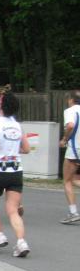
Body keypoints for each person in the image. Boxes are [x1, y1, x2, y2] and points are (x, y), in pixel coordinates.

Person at [0, 92, 31, 256]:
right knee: (13, 210)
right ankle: (21, 242)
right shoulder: (18, 126)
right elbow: (26, 149)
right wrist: (13, 150)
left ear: (0, 106)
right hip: (15, 170)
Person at [59, 90, 80, 224]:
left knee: (67, 180)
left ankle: (73, 212)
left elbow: (71, 125)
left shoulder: (70, 111)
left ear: (71, 100)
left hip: (75, 149)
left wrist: (64, 139)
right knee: (74, 179)